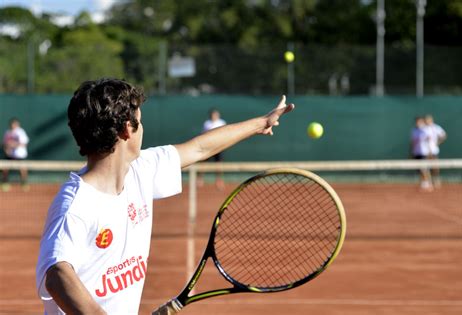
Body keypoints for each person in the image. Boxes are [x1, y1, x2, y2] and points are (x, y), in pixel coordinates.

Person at [35, 78, 294, 314]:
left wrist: (262, 122)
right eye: (141, 121)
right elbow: (58, 276)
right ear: (127, 129)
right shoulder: (75, 205)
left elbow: (200, 148)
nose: (142, 128)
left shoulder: (141, 171)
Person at [199, 108, 226, 189]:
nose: (215, 116)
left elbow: (225, 134)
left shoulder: (222, 122)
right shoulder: (207, 123)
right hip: (208, 147)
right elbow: (203, 134)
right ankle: (200, 180)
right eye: (213, 114)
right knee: (203, 163)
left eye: (216, 114)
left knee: (218, 165)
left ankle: (219, 181)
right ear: (211, 115)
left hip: (219, 147)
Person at [2, 117, 29, 190]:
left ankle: (24, 183)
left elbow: (24, 144)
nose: (13, 125)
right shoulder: (7, 132)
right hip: (10, 155)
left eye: (15, 124)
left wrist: (14, 145)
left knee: (23, 169)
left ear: (17, 124)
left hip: (20, 155)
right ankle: (5, 182)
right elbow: (4, 143)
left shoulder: (21, 132)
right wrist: (6, 149)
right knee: (5, 168)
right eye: (12, 124)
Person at [424, 114, 447, 188]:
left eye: (429, 119)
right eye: (426, 119)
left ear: (432, 120)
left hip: (434, 151)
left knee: (435, 167)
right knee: (425, 167)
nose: (427, 121)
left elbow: (444, 135)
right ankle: (428, 181)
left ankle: (436, 180)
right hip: (425, 151)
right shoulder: (423, 128)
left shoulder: (436, 127)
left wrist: (437, 143)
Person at [410, 116, 432, 191]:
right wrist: (412, 152)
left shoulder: (426, 130)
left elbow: (429, 140)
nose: (418, 123)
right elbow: (412, 142)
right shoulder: (414, 130)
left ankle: (428, 183)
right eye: (417, 121)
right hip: (416, 152)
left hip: (424, 152)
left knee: (424, 168)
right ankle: (424, 183)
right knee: (419, 169)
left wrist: (430, 151)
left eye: (419, 121)